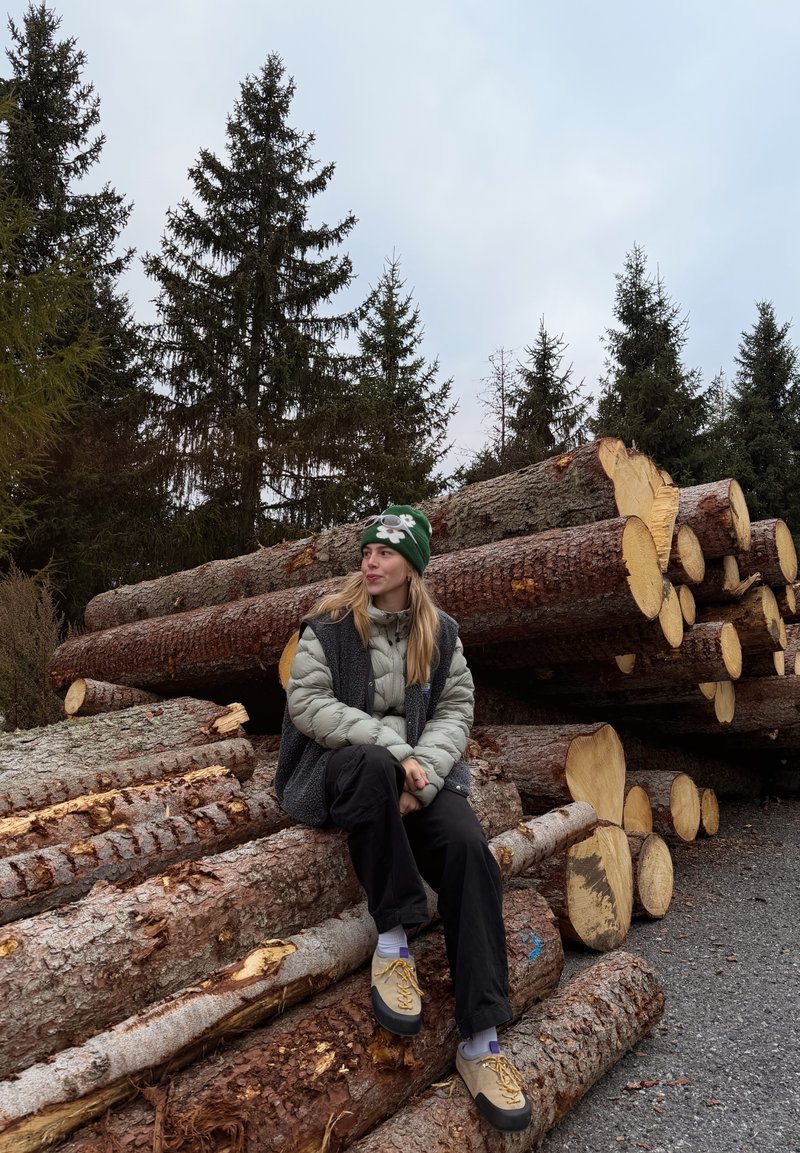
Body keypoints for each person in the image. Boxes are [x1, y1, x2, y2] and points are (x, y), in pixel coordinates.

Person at [275, 504, 532, 1132]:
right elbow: (307, 702)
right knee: (366, 764)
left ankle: (482, 1039)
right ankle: (393, 940)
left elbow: (456, 709)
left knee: (470, 847)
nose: (371, 561)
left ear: (411, 568)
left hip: (422, 774)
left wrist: (426, 777)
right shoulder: (330, 624)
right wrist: (397, 759)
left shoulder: (440, 632)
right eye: (367, 551)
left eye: (385, 554)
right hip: (344, 769)